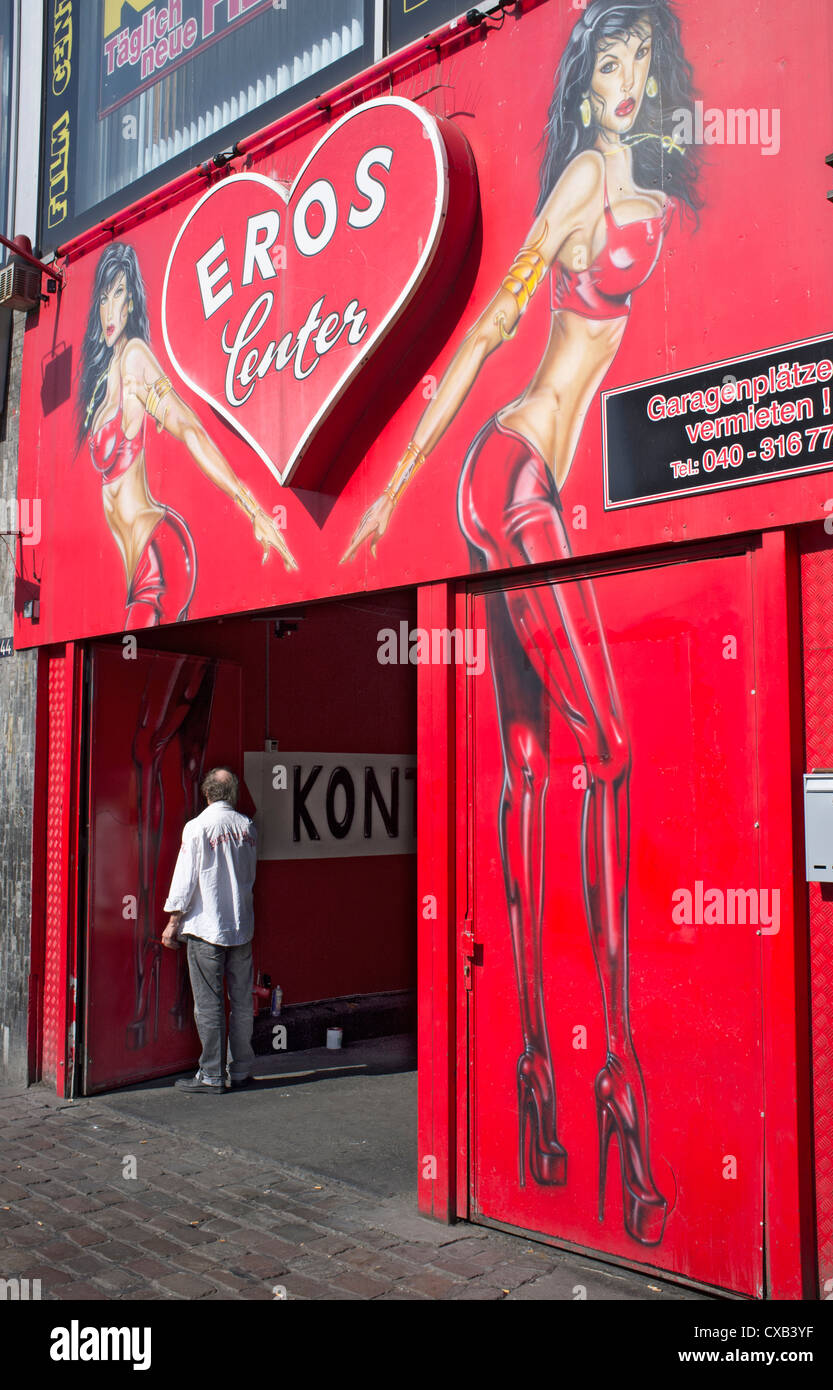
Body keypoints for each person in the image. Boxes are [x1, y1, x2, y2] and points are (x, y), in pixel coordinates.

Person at [343, 0, 700, 1245]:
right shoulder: (589, 177)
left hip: (526, 479)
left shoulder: (645, 174)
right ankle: (613, 1080)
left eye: (636, 60)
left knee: (534, 766)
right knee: (607, 753)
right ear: (581, 81)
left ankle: (539, 1078)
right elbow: (499, 322)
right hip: (512, 474)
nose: (622, 79)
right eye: (604, 60)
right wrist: (391, 483)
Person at [77, 241, 296, 631]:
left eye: (120, 293)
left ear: (131, 303)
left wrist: (254, 510)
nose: (111, 308)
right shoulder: (105, 375)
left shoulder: (135, 359)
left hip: (158, 554)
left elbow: (191, 428)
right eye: (104, 297)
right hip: (135, 567)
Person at [162, 767, 258, 1093]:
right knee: (242, 1001)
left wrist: (173, 922)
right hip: (242, 926)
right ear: (232, 795)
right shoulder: (247, 828)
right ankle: (242, 1069)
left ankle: (212, 1075)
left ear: (206, 794)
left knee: (209, 1004)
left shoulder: (198, 827)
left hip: (207, 928)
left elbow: (184, 879)